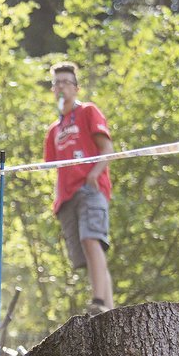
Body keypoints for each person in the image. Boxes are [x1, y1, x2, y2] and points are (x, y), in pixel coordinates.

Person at [44, 61, 115, 316]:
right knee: (85, 254)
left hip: (90, 188)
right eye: (56, 83)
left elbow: (107, 149)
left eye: (66, 82)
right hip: (67, 197)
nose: (61, 87)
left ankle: (98, 301)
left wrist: (94, 175)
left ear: (76, 87)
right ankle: (108, 310)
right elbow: (52, 166)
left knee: (91, 239)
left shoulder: (88, 111)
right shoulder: (54, 128)